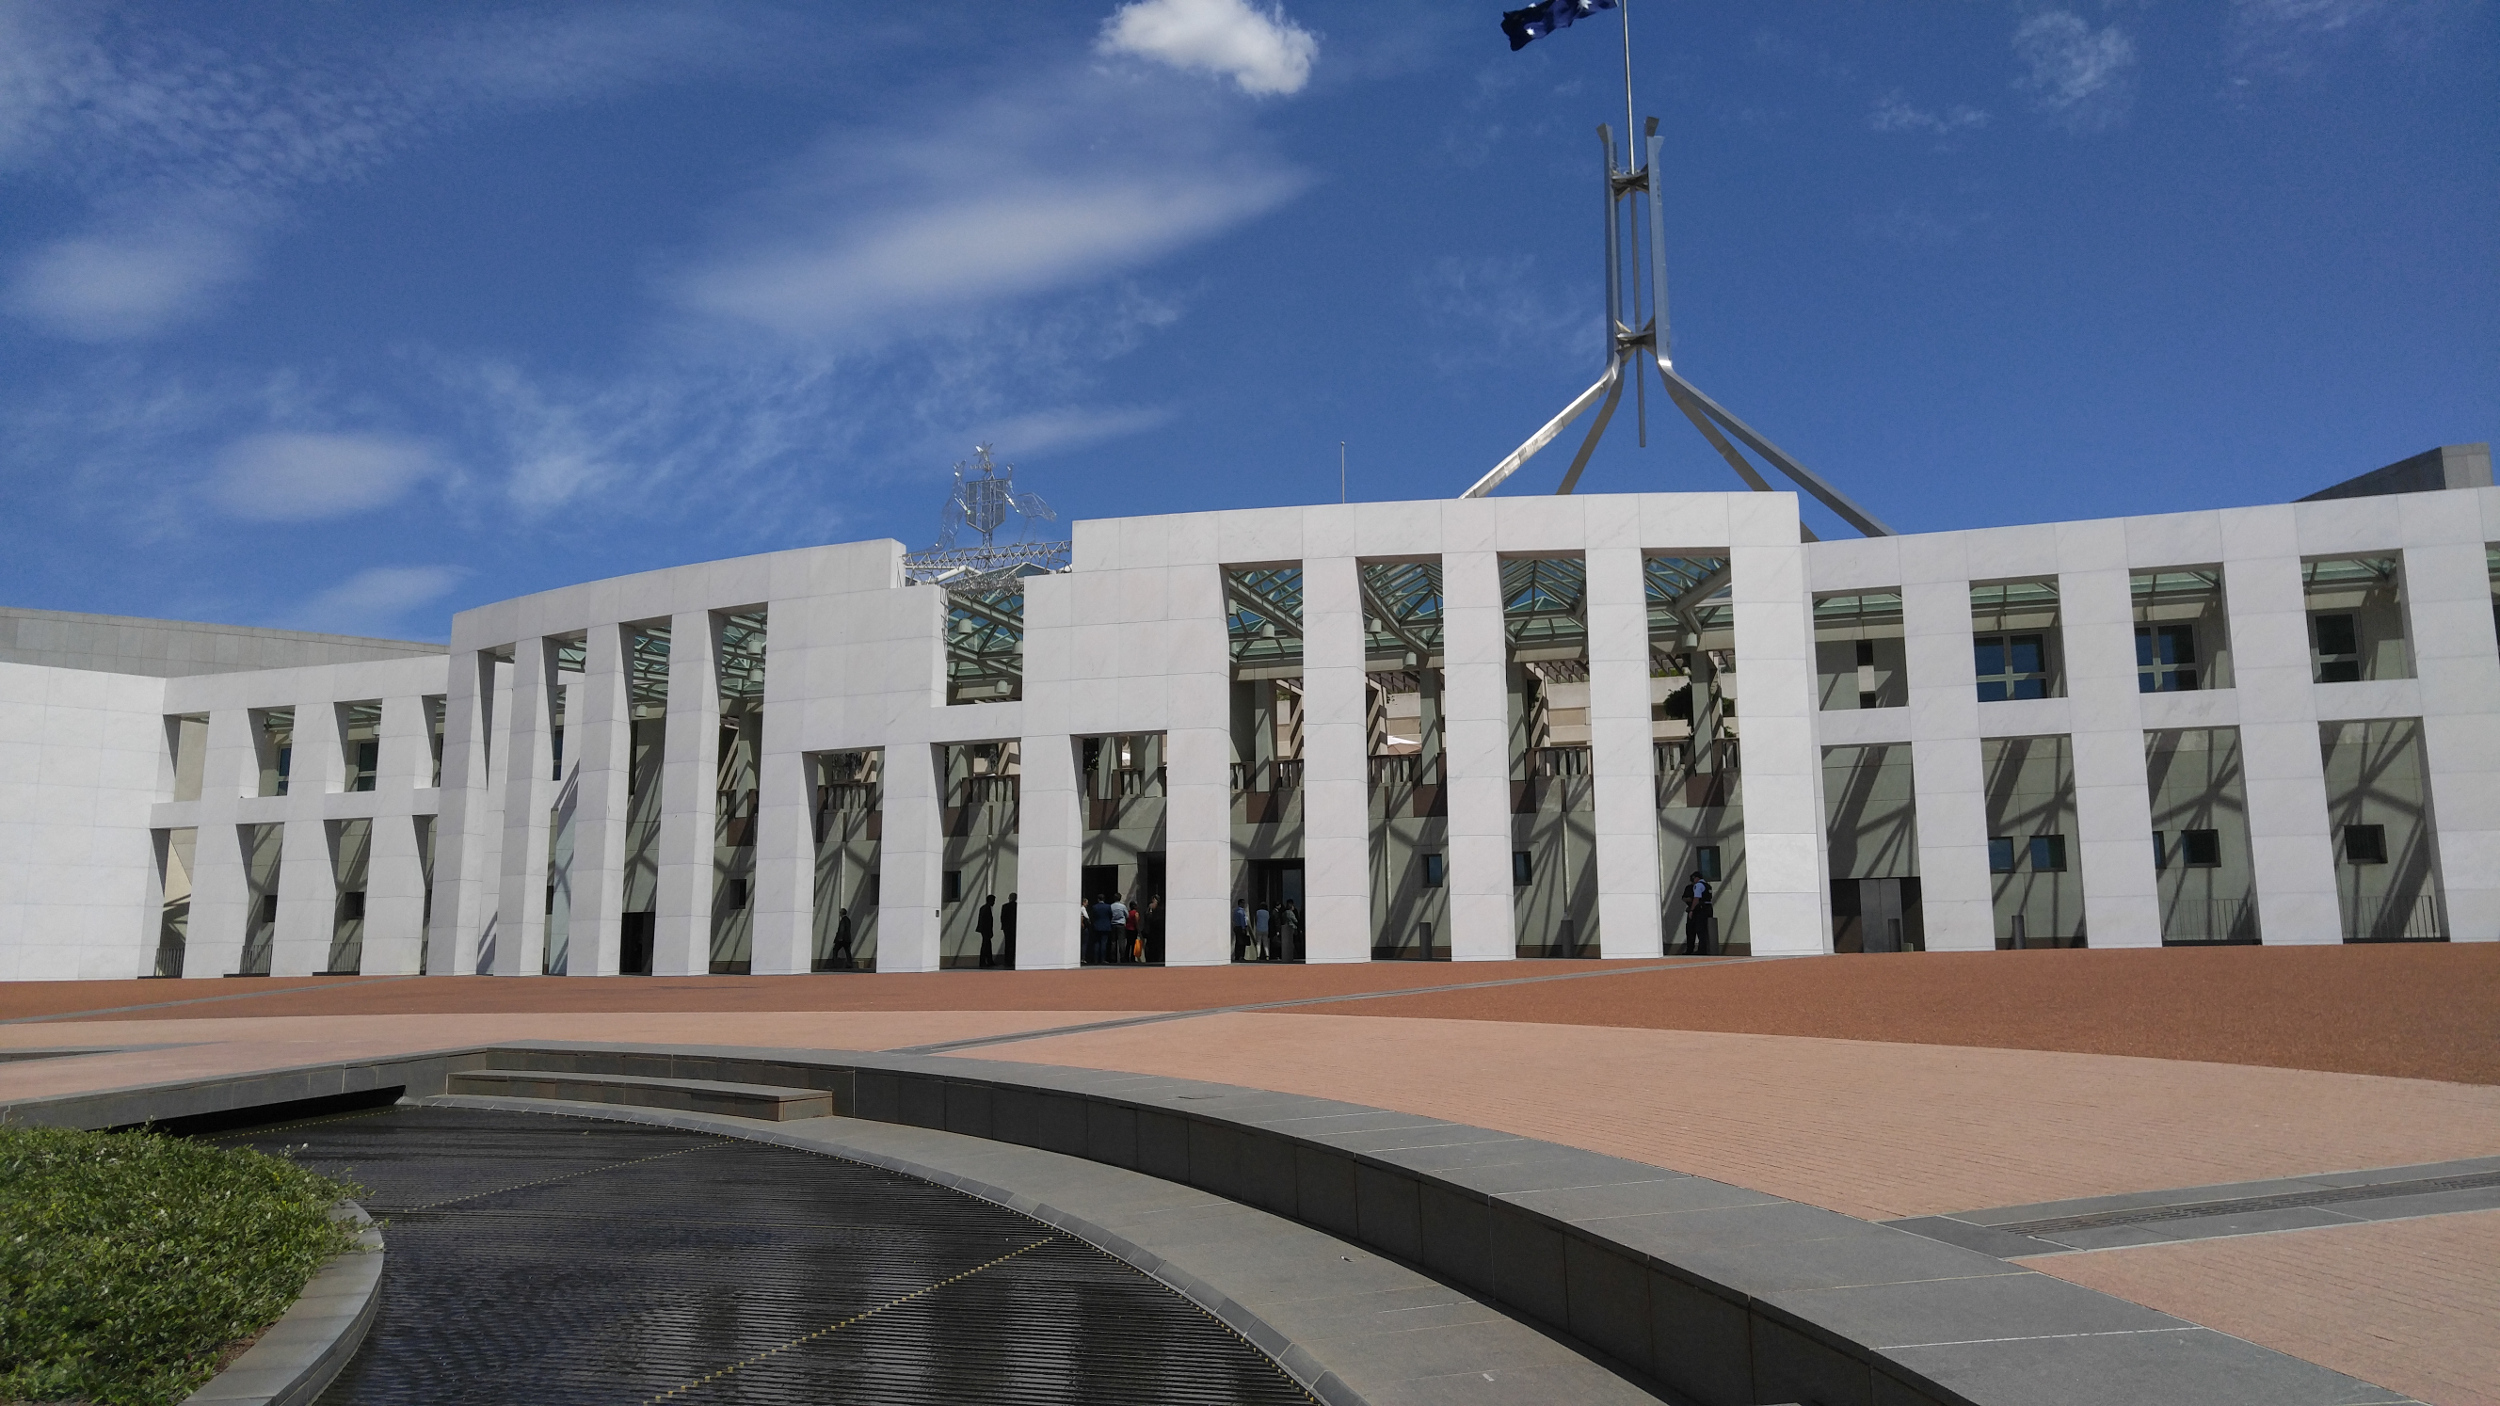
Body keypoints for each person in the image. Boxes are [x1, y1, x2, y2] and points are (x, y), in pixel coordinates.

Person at [1681, 871, 1714, 956]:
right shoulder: (1707, 885)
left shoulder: (1698, 885)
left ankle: (1701, 950)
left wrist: (1692, 910)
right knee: (1704, 929)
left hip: (1700, 909)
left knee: (1699, 929)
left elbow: (1697, 898)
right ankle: (1704, 949)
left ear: (1696, 878)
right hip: (1708, 908)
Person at [1088, 895, 1115, 964]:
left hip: (1097, 926)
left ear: (1098, 899)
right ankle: (1103, 959)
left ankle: (1096, 959)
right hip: (1106, 926)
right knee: (1104, 943)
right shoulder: (1108, 906)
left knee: (1096, 943)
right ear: (1104, 899)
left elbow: (1092, 916)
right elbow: (1111, 915)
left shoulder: (1094, 907)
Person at [1276, 899, 1301, 963]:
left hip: (1285, 929)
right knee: (1293, 942)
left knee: (1288, 943)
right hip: (1292, 928)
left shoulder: (1284, 913)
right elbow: (1295, 920)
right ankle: (1294, 955)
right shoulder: (1290, 913)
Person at [1107, 895, 1129, 964]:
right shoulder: (1122, 906)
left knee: (1113, 942)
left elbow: (1109, 915)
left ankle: (1113, 958)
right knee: (1121, 942)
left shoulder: (1111, 906)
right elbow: (1127, 915)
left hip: (1113, 924)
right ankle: (1122, 957)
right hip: (1121, 924)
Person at [975, 894, 996, 969]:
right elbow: (987, 921)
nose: (994, 903)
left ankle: (988, 961)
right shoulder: (987, 909)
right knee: (986, 945)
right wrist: (989, 931)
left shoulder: (984, 908)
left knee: (986, 945)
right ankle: (984, 961)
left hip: (984, 930)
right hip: (985, 930)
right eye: (993, 901)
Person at [1000, 892, 1018, 969]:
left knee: (1007, 944)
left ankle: (1007, 960)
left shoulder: (1005, 906)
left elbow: (1002, 917)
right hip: (1014, 928)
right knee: (1013, 945)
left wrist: (1003, 926)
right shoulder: (1017, 906)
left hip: (1007, 928)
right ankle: (1012, 960)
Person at [1125, 897, 1143, 964]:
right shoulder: (1136, 913)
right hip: (1133, 929)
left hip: (1128, 929)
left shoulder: (1128, 913)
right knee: (1133, 944)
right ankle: (1132, 958)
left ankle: (1126, 957)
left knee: (1128, 944)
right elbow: (1136, 922)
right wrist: (1138, 930)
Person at [1232, 899, 1251, 963]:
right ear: (1240, 903)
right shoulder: (1241, 911)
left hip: (1236, 927)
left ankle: (1237, 956)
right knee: (1242, 942)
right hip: (1241, 927)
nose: (1244, 904)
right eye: (1243, 903)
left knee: (1237, 942)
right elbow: (1242, 920)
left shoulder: (1235, 911)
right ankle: (1241, 956)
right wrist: (1243, 928)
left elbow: (1233, 919)